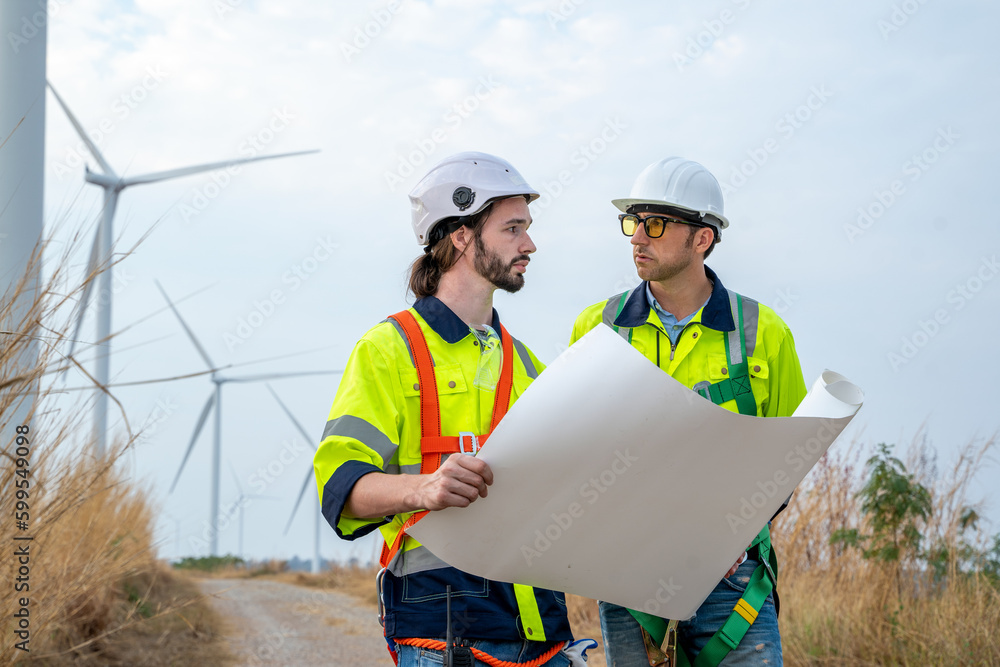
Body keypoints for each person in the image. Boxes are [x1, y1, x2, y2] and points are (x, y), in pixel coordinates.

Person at [314, 152, 576, 667]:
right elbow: (340, 488)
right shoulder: (388, 350)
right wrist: (424, 488)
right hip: (443, 627)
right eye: (513, 229)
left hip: (541, 631)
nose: (530, 244)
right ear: (462, 235)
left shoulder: (527, 364)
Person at [569, 157, 808, 666]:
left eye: (654, 225)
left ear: (702, 238)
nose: (637, 238)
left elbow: (792, 457)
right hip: (627, 576)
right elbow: (576, 447)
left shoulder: (763, 333)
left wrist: (720, 536)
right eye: (632, 223)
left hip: (732, 581)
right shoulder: (596, 328)